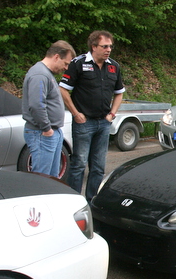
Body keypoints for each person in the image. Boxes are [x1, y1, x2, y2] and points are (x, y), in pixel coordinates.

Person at [60, 30, 125, 201]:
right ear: (94, 47)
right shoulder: (79, 63)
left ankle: (92, 201)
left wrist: (112, 114)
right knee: (79, 164)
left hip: (103, 123)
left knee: (98, 167)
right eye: (104, 46)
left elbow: (119, 93)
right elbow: (63, 89)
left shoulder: (114, 66)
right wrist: (76, 113)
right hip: (84, 123)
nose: (108, 50)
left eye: (110, 46)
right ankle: (74, 201)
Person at [22, 40, 75, 177]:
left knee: (51, 178)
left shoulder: (46, 74)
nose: (66, 68)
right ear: (56, 57)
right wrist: (47, 129)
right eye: (65, 63)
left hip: (50, 132)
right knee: (42, 179)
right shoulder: (39, 75)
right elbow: (36, 105)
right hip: (42, 133)